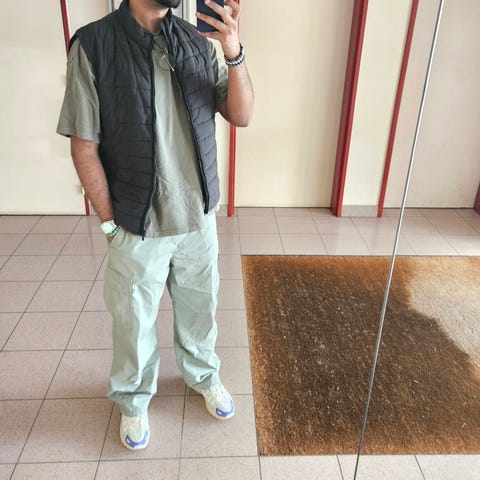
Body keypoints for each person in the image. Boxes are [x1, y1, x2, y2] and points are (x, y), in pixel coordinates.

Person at [57, 0, 253, 451]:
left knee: (201, 309)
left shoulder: (196, 42)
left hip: (197, 217)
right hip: (135, 221)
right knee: (133, 323)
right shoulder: (94, 45)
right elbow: (84, 145)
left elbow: (241, 114)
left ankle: (203, 375)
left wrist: (233, 50)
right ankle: (132, 399)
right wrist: (109, 225)